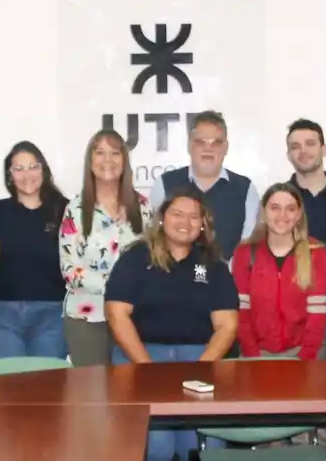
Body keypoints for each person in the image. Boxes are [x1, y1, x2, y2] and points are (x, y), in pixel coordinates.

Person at [104, 186, 238, 461]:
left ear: (203, 224)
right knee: (157, 446)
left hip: (200, 358)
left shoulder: (213, 264)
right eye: (177, 214)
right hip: (141, 356)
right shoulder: (136, 257)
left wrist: (201, 368)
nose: (185, 222)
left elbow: (227, 325)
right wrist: (147, 369)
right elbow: (117, 314)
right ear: (162, 218)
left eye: (193, 216)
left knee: (201, 446)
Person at [60, 129, 153, 366]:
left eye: (115, 153)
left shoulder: (142, 207)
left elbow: (154, 261)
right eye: (100, 153)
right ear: (90, 162)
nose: (107, 160)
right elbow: (70, 269)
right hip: (87, 317)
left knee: (131, 394)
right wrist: (118, 288)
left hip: (134, 317)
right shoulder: (76, 208)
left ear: (125, 160)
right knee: (92, 397)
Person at [231, 183, 326, 360]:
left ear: (299, 214)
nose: (282, 216)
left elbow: (317, 314)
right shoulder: (245, 252)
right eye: (275, 208)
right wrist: (253, 356)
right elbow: (242, 312)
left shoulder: (316, 252)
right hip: (256, 353)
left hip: (303, 352)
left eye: (290, 209)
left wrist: (304, 358)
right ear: (263, 212)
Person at [0, 141, 69, 359]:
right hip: (3, 314)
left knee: (47, 388)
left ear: (44, 170)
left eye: (33, 166)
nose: (27, 174)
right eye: (19, 168)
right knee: (5, 388)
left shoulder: (65, 210)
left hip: (51, 315)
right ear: (9, 175)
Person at [149, 110, 261, 260]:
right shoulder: (164, 184)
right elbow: (155, 237)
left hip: (228, 280)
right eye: (200, 142)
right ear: (190, 145)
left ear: (226, 147)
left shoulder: (246, 190)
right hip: (172, 278)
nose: (208, 149)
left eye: (216, 143)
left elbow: (247, 247)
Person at [283, 119, 326, 359]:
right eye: (295, 146)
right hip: (292, 315)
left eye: (310, 143)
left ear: (324, 149)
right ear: (288, 154)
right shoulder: (279, 198)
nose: (303, 151)